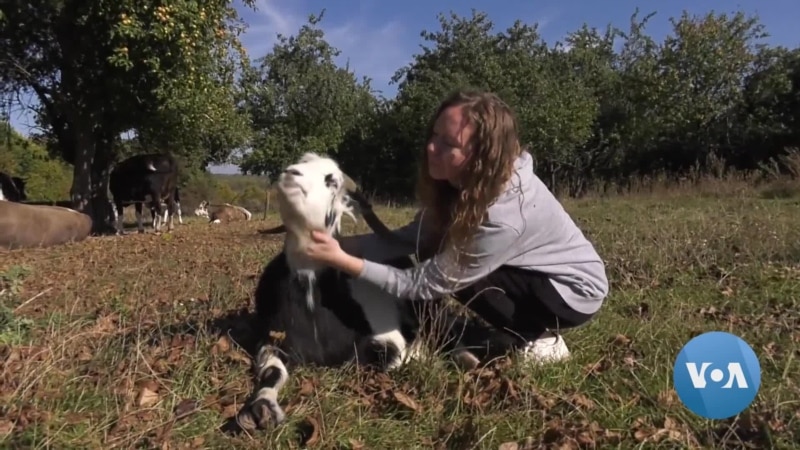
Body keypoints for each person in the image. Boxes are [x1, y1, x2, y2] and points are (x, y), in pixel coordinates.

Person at [302, 89, 610, 364]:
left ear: (482, 156)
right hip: (532, 271)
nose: (431, 148)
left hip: (571, 293)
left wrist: (342, 261)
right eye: (434, 135)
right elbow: (412, 239)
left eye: (448, 143)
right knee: (436, 246)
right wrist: (330, 243)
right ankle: (440, 332)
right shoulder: (463, 184)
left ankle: (538, 338)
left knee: (451, 265)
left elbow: (425, 282)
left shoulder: (503, 215)